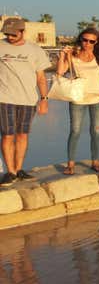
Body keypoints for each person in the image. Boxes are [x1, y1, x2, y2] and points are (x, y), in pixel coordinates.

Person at [56, 27, 99, 175]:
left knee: (96, 131)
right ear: (80, 39)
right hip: (77, 98)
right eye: (85, 40)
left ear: (96, 42)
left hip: (98, 97)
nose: (87, 43)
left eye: (91, 41)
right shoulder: (73, 55)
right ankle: (70, 164)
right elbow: (60, 72)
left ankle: (95, 161)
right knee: (75, 131)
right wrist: (62, 56)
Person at [0, 18, 50, 186]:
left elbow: (41, 77)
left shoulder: (35, 50)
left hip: (29, 100)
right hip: (5, 98)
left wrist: (44, 99)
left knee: (22, 134)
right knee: (7, 135)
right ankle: (10, 172)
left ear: (22, 32)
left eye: (13, 34)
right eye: (7, 34)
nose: (10, 37)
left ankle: (19, 169)